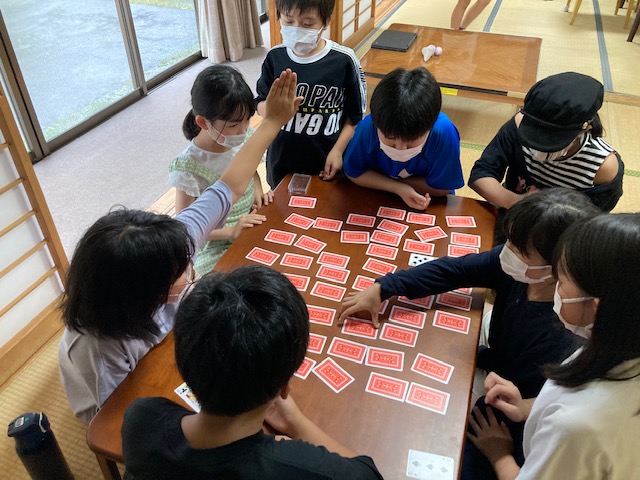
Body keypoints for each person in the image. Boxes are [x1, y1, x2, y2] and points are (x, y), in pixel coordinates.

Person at [58, 70, 302, 423]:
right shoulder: (98, 346)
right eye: (180, 273)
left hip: (174, 347)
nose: (191, 271)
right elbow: (118, 419)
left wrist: (272, 122)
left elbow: (230, 185)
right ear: (142, 294)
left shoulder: (172, 242)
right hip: (125, 401)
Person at [121, 266, 383, 479]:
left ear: (184, 364)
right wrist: (296, 422)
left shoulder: (140, 419)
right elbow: (368, 475)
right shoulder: (293, 468)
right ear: (284, 387)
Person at [339, 188, 599, 399]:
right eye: (508, 240)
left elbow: (514, 393)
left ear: (558, 266)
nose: (506, 252)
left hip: (505, 386)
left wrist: (478, 359)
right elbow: (455, 270)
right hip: (494, 349)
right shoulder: (519, 267)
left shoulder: (562, 333)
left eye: (520, 250)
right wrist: (384, 287)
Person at [466, 213, 640, 479]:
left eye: (561, 280)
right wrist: (526, 407)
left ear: (596, 308)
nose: (554, 288)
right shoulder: (617, 341)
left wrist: (499, 455)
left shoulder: (578, 427)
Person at [469, 72, 623, 237]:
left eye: (552, 141)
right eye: (534, 136)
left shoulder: (602, 166)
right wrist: (513, 200)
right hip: (511, 210)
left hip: (559, 234)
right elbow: (481, 174)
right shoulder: (519, 125)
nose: (540, 150)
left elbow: (589, 224)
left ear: (585, 127)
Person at [168, 65, 273, 276]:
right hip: (216, 243)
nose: (243, 130)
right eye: (233, 125)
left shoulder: (244, 135)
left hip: (250, 220)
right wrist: (231, 231)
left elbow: (251, 170)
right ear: (203, 122)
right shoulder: (189, 166)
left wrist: (258, 192)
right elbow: (186, 227)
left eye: (247, 120)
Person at [255, 0, 367, 189]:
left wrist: (338, 151)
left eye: (307, 24)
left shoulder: (344, 61)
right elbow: (259, 102)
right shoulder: (275, 57)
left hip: (326, 161)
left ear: (326, 21)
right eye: (289, 21)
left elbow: (355, 117)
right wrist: (274, 111)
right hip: (281, 161)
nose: (297, 29)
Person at [342, 67, 464, 210]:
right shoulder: (368, 128)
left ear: (429, 128)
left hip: (430, 201)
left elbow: (443, 187)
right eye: (390, 139)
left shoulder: (443, 133)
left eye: (411, 142)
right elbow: (353, 172)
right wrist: (397, 188)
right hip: (376, 196)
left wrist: (398, 185)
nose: (400, 148)